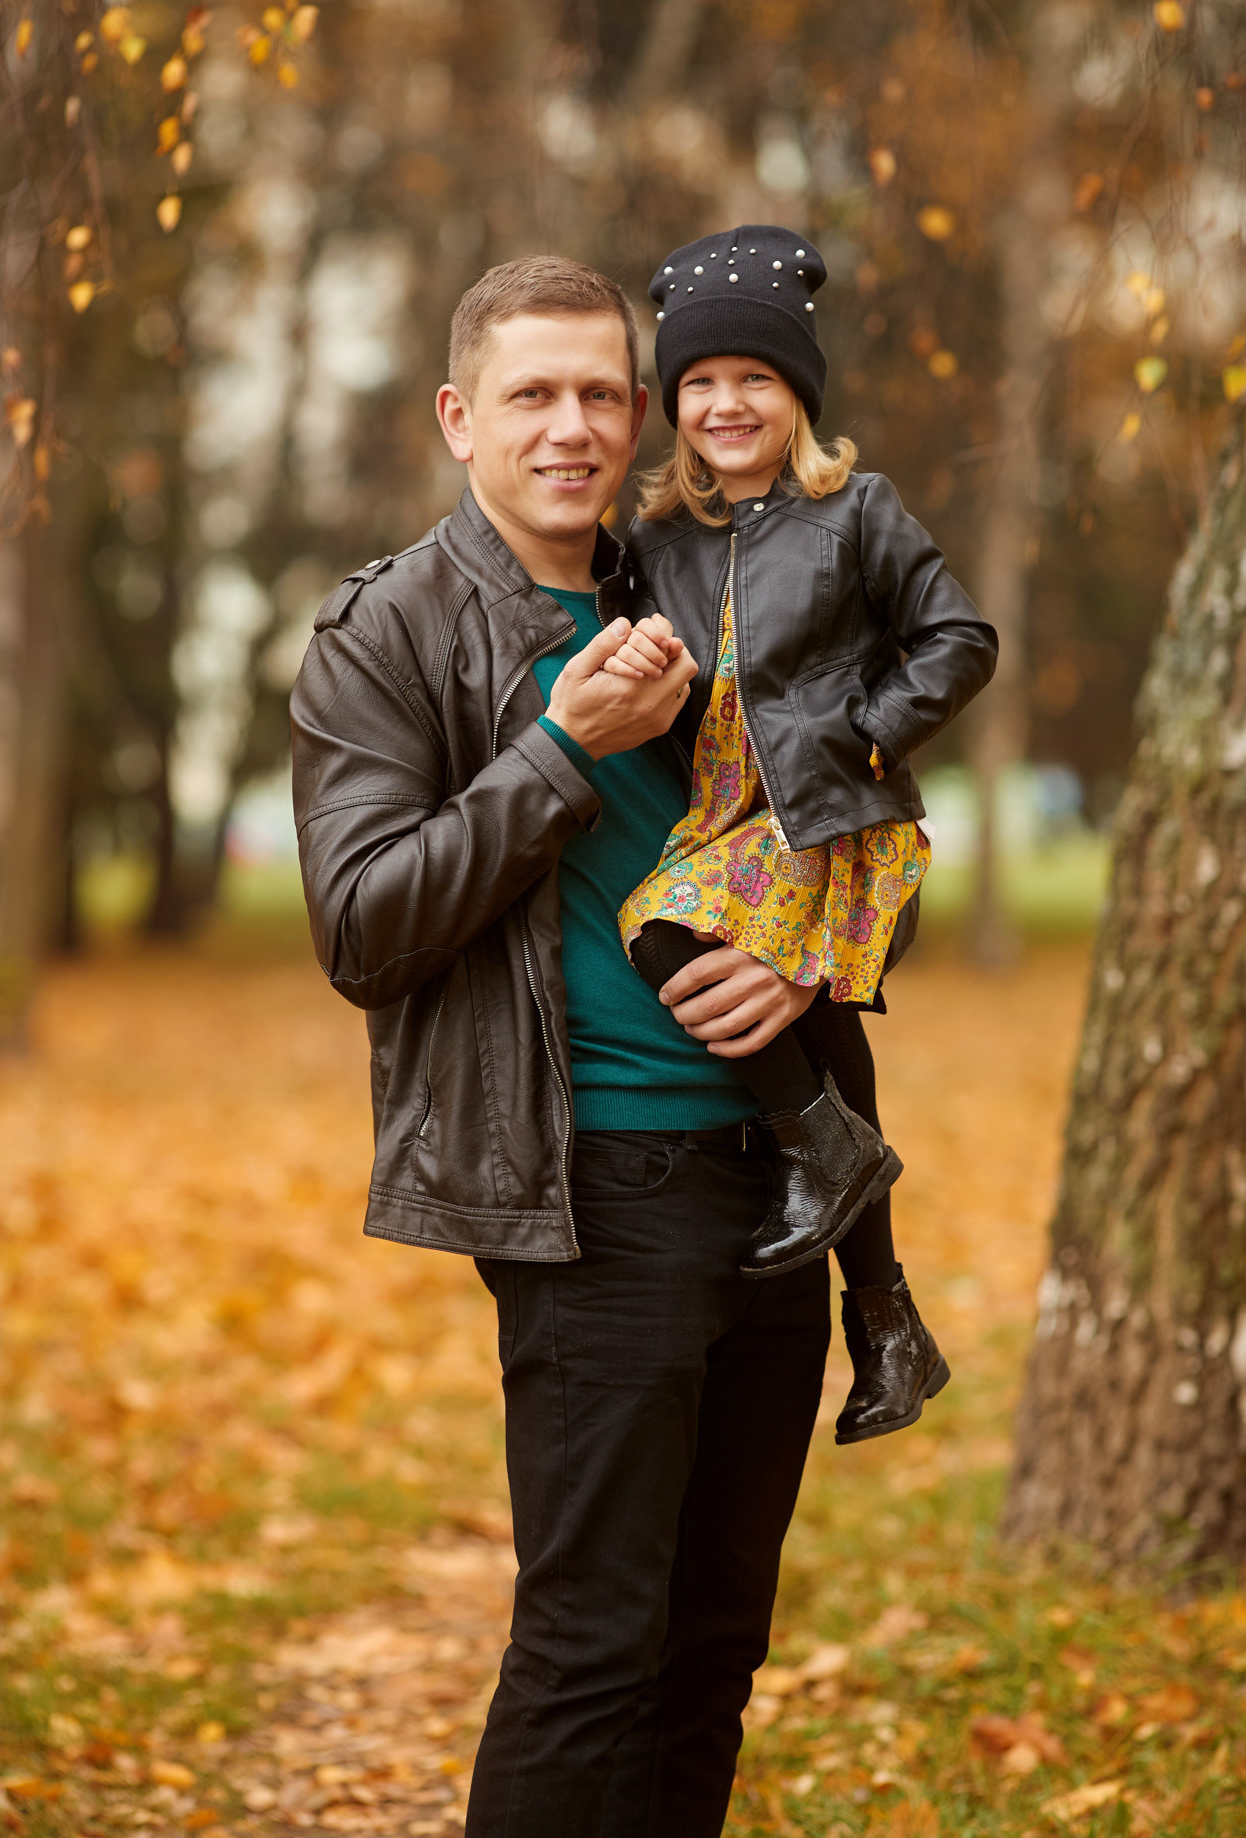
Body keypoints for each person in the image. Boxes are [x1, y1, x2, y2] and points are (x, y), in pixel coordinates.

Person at [290, 255, 843, 1838]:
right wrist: (557, 750)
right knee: (595, 1644)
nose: (574, 426)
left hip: (777, 1170)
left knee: (714, 1642)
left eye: (604, 391)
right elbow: (363, 929)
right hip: (591, 1178)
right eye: (533, 394)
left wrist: (808, 963)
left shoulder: (717, 578)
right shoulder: (386, 634)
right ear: (462, 417)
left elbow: (854, 833)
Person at [612, 225, 998, 1445]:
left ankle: (818, 1151)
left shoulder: (853, 511)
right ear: (674, 406)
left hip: (832, 812)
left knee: (670, 930)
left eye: (755, 380)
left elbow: (958, 641)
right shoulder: (659, 545)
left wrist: (865, 735)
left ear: (797, 398)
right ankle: (883, 1316)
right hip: (727, 813)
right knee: (794, 1006)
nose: (727, 404)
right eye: (700, 384)